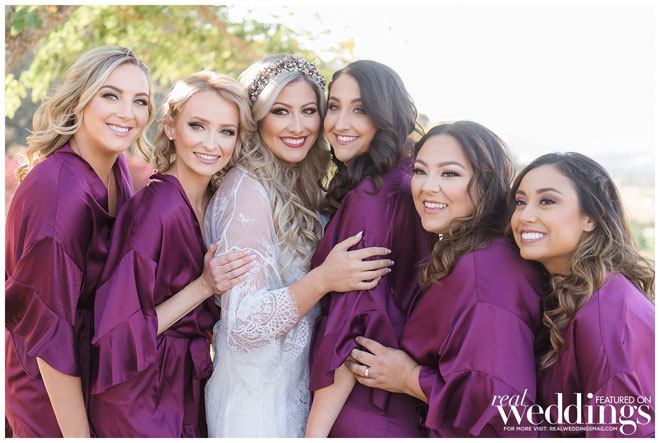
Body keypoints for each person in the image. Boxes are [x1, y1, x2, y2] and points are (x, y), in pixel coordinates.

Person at [203, 54, 392, 437]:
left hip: (295, 395)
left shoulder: (303, 183)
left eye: (309, 111)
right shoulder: (247, 189)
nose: (298, 126)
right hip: (255, 408)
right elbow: (243, 325)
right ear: (256, 118)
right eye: (280, 111)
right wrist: (323, 280)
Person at [344, 121, 547, 437]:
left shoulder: (484, 273)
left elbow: (502, 413)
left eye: (449, 174)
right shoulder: (467, 250)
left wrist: (409, 378)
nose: (427, 186)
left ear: (486, 183)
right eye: (420, 171)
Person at [87, 71, 256, 437]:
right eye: (198, 126)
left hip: (186, 384)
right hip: (139, 395)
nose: (211, 144)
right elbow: (119, 334)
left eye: (226, 131)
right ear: (169, 126)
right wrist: (204, 287)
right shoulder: (157, 208)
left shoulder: (219, 202)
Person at [5, 46, 153, 438]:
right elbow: (47, 336)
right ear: (78, 101)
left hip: (90, 369)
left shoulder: (116, 167)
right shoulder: (59, 195)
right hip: (47, 389)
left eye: (140, 100)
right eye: (111, 95)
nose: (128, 113)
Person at [305, 60, 429, 437]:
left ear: (385, 118)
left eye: (359, 110)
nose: (339, 123)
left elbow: (351, 332)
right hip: (392, 408)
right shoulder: (406, 181)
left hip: (359, 408)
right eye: (334, 106)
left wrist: (313, 434)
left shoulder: (372, 196)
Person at [509, 152, 655, 437]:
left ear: (591, 217)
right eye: (520, 202)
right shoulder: (573, 295)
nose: (525, 216)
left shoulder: (604, 316)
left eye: (547, 201)